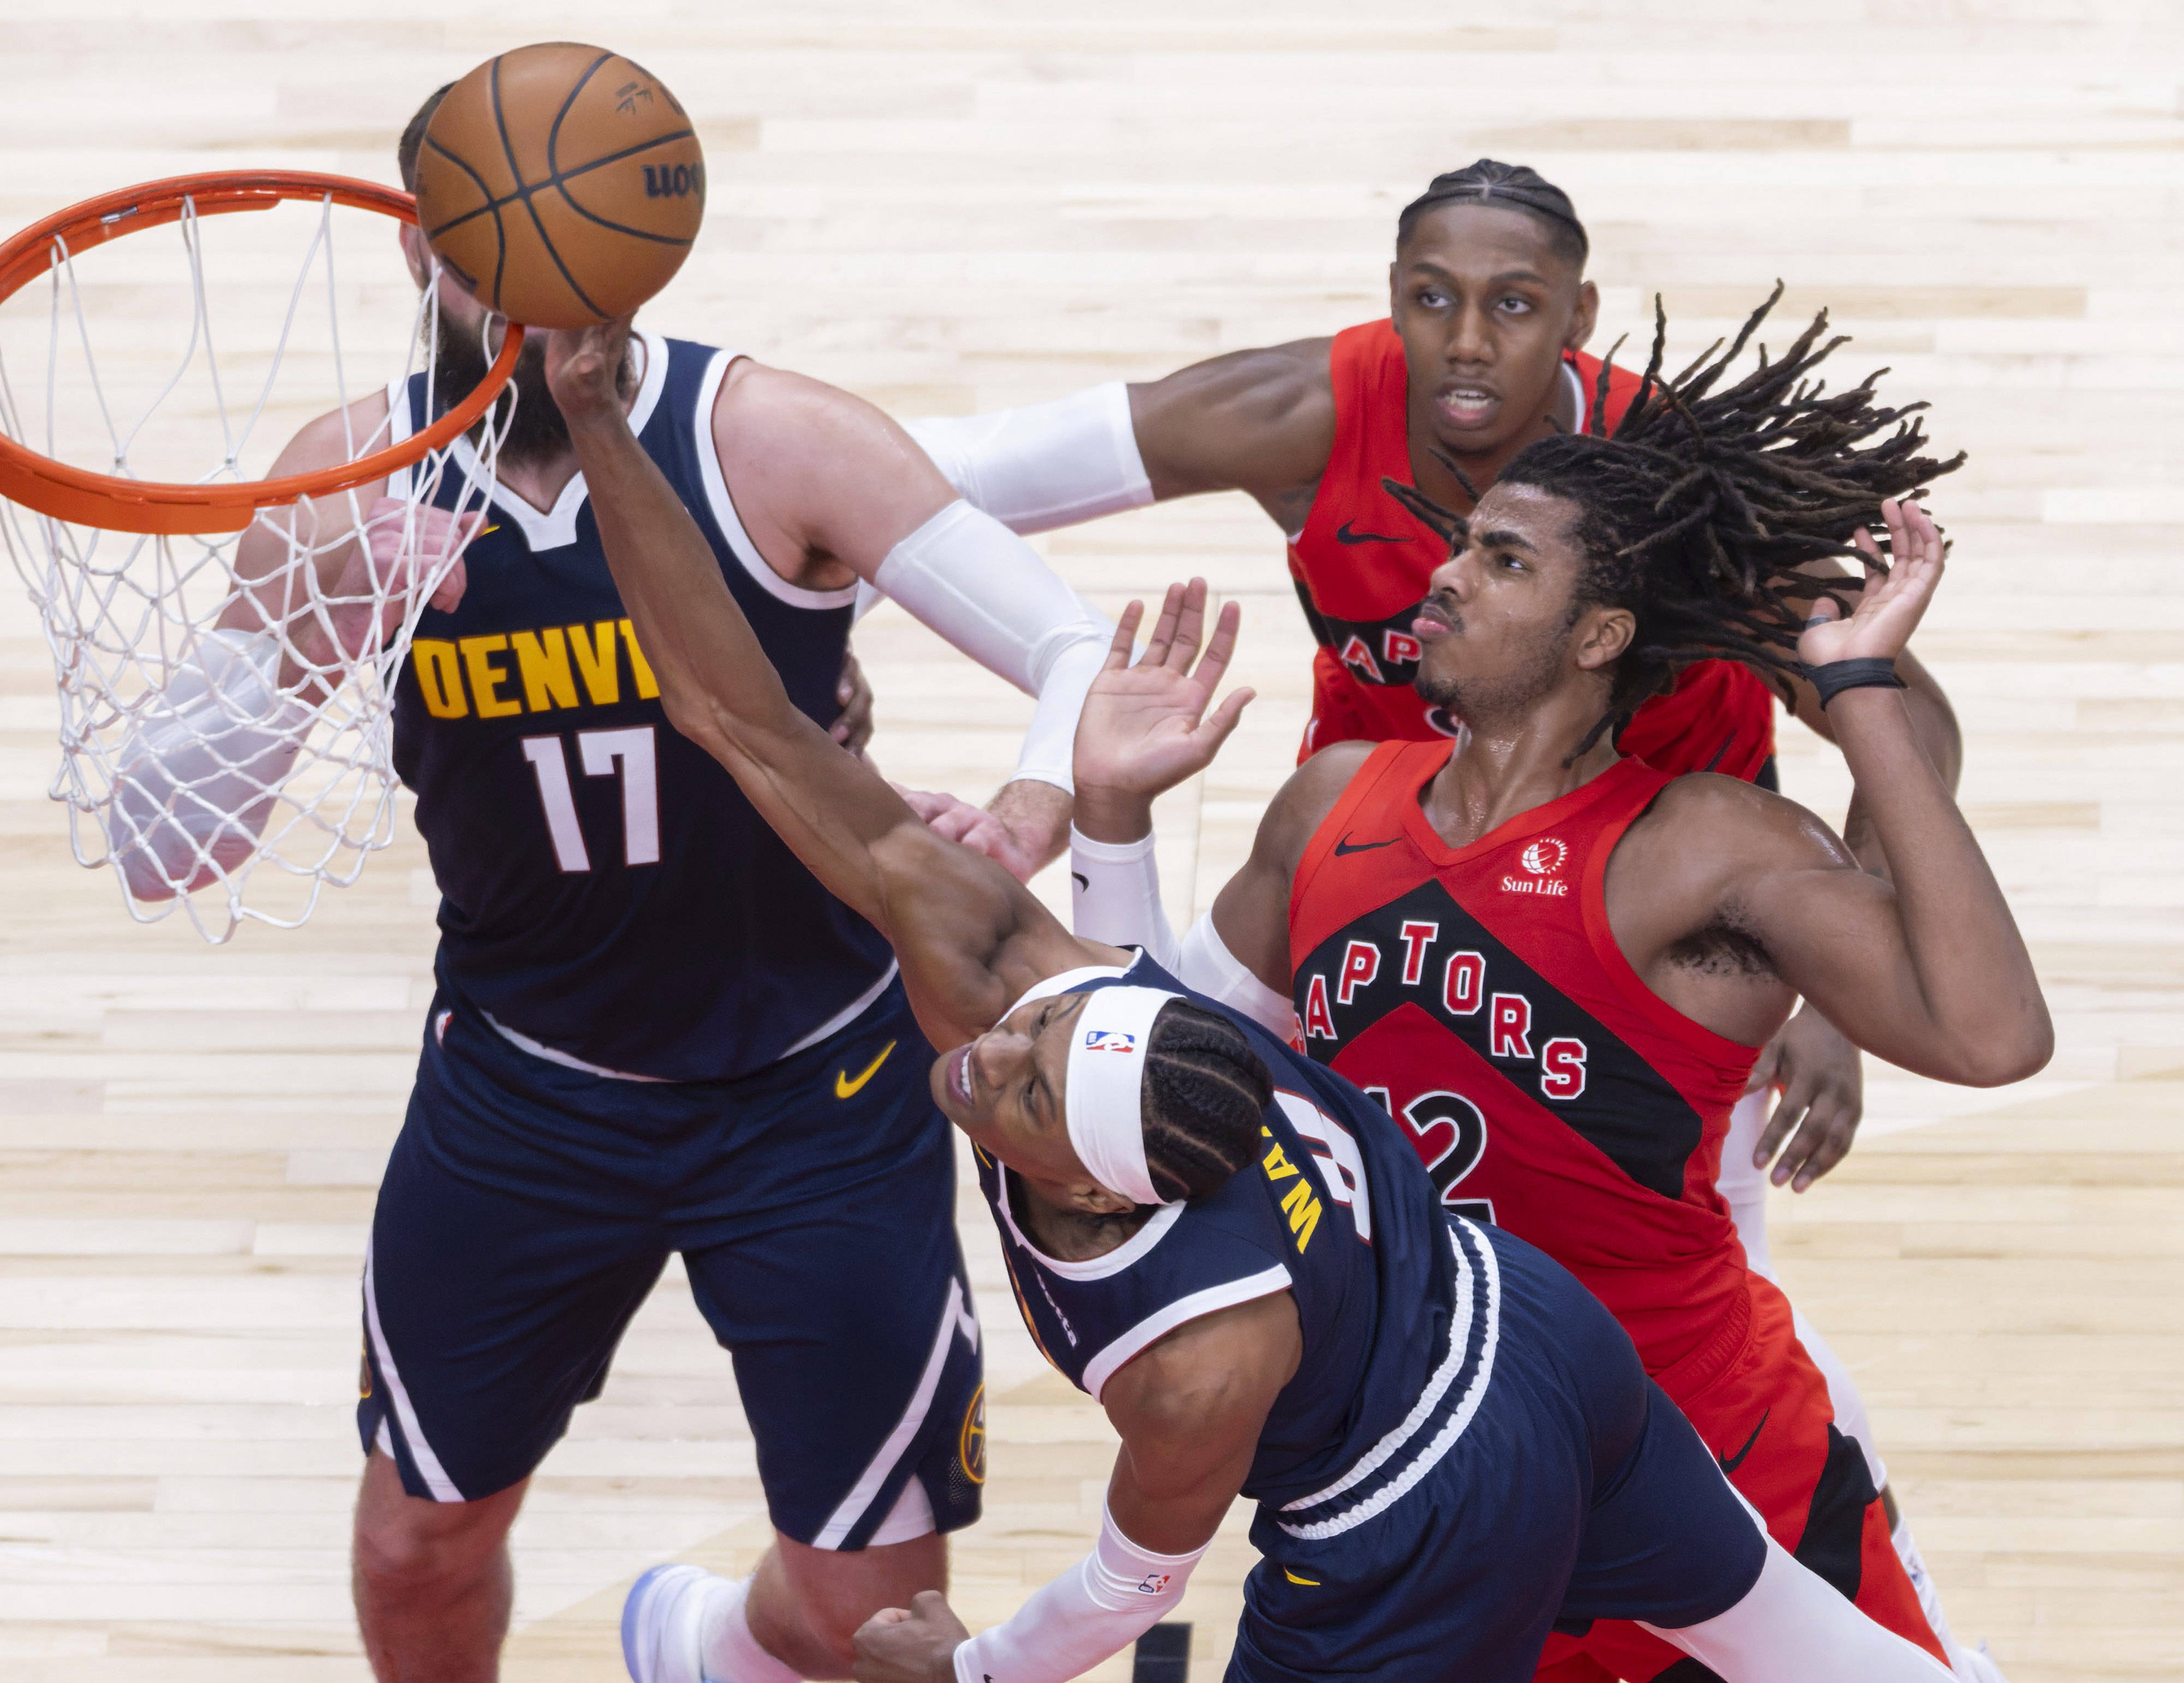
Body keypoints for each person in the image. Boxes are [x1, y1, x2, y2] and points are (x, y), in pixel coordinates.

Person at [537, 311, 1959, 1683]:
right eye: (1037, 1032)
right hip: (1535, 1336)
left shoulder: (1197, 1351)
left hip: (1477, 1480)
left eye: (1027, 1071)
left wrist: (969, 1670)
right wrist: (600, 423)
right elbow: (740, 720)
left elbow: (1126, 1584)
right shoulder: (1130, 976)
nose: (989, 1059)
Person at [110, 87, 1128, 1683]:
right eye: (485, 264)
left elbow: (1069, 641)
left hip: (817, 1090)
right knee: (414, 1547)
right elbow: (162, 852)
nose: (524, 305)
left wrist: (1033, 800)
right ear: (417, 253)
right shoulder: (350, 482)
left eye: (559, 266)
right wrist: (306, 635)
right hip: (530, 1089)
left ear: (635, 254)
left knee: (869, 1620)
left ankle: (713, 1643)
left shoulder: (769, 441)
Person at [899, 159, 1978, 1658]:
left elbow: (1922, 769)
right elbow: (1163, 1046)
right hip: (1374, 890)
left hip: (1679, 950)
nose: (1467, 342)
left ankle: (1777, 1472)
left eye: (1513, 306)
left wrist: (1840, 967)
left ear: (1578, 321)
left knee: (1686, 1292)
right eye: (1431, 299)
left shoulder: (1683, 542)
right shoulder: (1320, 514)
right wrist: (1093, 805)